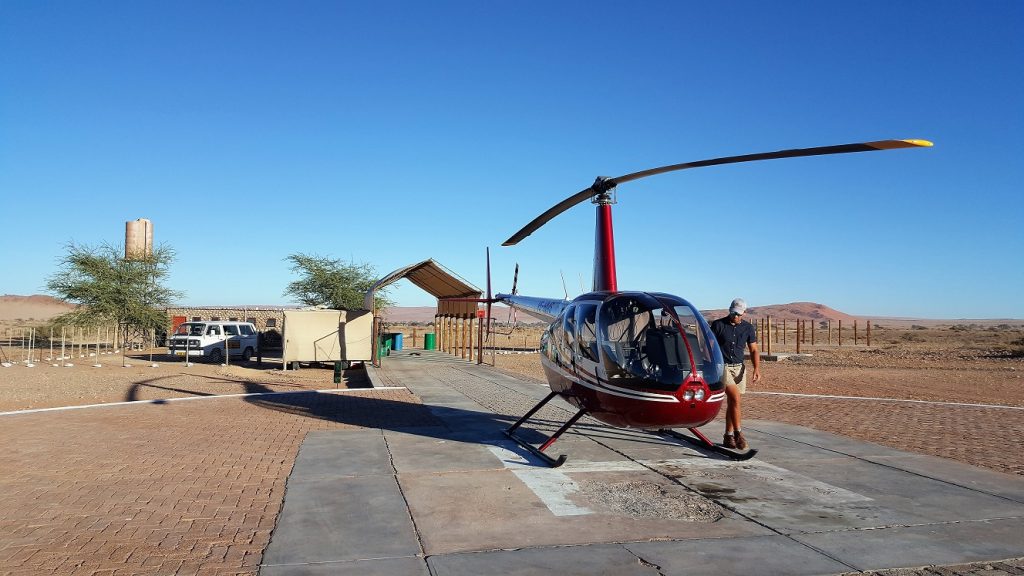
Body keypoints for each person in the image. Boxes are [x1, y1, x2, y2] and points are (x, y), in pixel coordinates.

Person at [710, 298, 761, 450]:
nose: (735, 316)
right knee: (735, 398)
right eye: (733, 313)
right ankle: (739, 434)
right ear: (729, 310)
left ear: (744, 313)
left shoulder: (748, 328)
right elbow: (709, 347)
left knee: (733, 403)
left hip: (739, 368)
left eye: (738, 314)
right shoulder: (718, 325)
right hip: (723, 367)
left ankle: (728, 436)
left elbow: (754, 350)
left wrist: (756, 368)